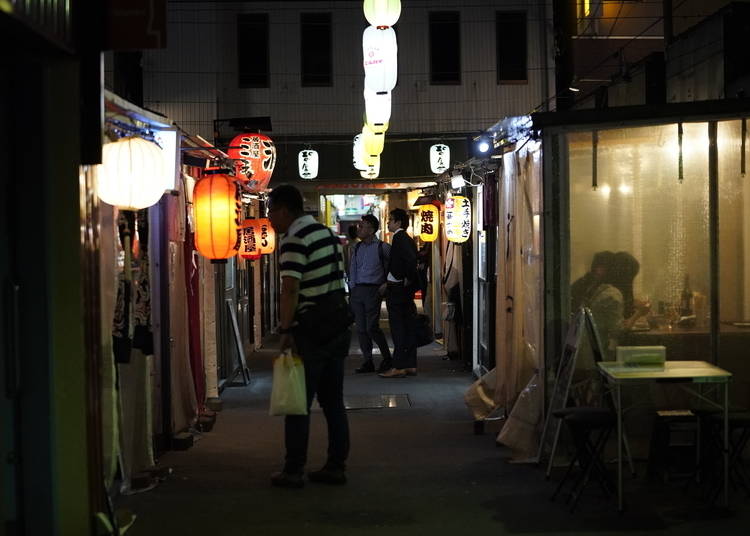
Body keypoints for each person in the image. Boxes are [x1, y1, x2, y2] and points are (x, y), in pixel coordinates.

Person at [267, 184, 351, 488]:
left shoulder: (294, 240)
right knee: (333, 403)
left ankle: (293, 470)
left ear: (285, 210)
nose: (269, 218)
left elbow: (290, 289)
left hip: (311, 330)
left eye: (271, 211)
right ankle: (336, 465)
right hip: (337, 327)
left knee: (298, 402)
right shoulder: (327, 234)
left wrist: (285, 330)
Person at [349, 214, 393, 374]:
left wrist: (386, 283)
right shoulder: (357, 248)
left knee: (371, 327)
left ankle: (387, 358)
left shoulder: (383, 247)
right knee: (360, 328)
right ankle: (368, 361)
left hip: (374, 289)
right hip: (358, 290)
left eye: (362, 226)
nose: (359, 229)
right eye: (359, 226)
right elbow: (352, 269)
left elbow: (395, 266)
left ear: (372, 229)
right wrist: (352, 288)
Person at [379, 208, 419, 378]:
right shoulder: (406, 238)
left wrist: (405, 279)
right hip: (402, 289)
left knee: (398, 328)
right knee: (407, 326)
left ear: (399, 222)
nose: (388, 223)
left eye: (391, 220)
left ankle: (399, 366)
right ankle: (410, 364)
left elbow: (410, 260)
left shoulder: (400, 238)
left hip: (397, 290)